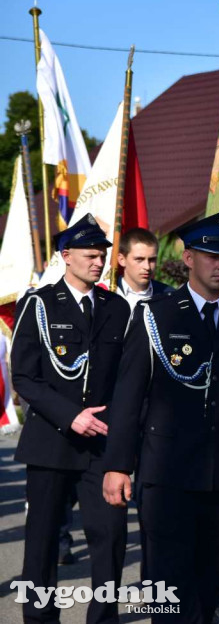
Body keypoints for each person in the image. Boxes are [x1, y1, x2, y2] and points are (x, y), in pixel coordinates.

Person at [102, 212, 219, 623]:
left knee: (209, 587)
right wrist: (118, 465)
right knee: (170, 590)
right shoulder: (156, 315)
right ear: (189, 256)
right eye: (212, 255)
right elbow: (128, 396)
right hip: (168, 477)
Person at [11, 214, 131, 624]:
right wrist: (69, 416)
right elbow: (24, 376)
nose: (99, 263)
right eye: (91, 256)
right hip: (51, 441)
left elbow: (124, 378)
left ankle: (103, 619)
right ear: (67, 256)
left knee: (111, 537)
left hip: (102, 444)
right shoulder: (40, 304)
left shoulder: (116, 308)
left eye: (102, 256)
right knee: (42, 544)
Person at [115, 227, 172, 310]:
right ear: (122, 260)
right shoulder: (105, 293)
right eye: (139, 259)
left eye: (152, 260)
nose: (147, 267)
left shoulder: (169, 296)